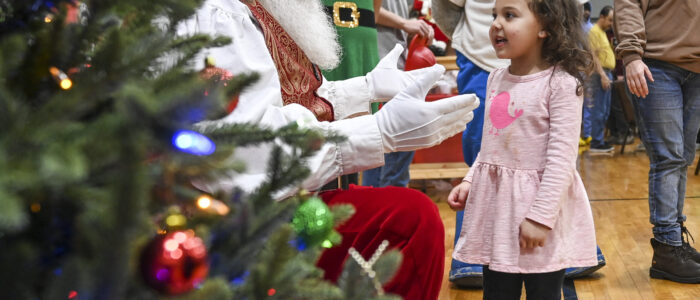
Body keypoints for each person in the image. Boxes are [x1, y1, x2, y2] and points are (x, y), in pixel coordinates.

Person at [177, 0, 480, 298]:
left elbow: (294, 99)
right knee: (412, 219)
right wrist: (379, 132)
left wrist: (368, 87)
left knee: (407, 215)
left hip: (267, 207)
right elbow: (246, 151)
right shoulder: (218, 12)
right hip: (229, 227)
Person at [432, 0, 604, 286]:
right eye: (494, 15)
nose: (496, 24)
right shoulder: (496, 79)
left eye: (509, 15)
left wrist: (540, 218)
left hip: (539, 215)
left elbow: (561, 162)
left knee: (543, 291)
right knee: (497, 290)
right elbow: (490, 145)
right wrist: (471, 180)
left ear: (545, 28)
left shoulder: (560, 84)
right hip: (498, 213)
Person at [614, 0, 700, 283]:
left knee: (683, 158)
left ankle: (675, 241)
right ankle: (666, 247)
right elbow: (628, 4)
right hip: (657, 65)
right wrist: (631, 55)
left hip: (697, 70)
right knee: (668, 158)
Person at [363, 0, 435, 188]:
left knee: (383, 154)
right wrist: (404, 23)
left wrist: (417, 30)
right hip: (380, 66)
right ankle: (388, 211)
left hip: (400, 67)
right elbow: (368, 10)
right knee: (391, 154)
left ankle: (379, 210)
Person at [585, 6, 615, 153]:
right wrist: (603, 75)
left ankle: (600, 139)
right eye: (609, 20)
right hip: (600, 75)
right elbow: (594, 56)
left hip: (606, 73)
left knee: (605, 109)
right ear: (601, 17)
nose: (611, 23)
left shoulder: (602, 33)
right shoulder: (594, 32)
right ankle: (596, 142)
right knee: (599, 108)